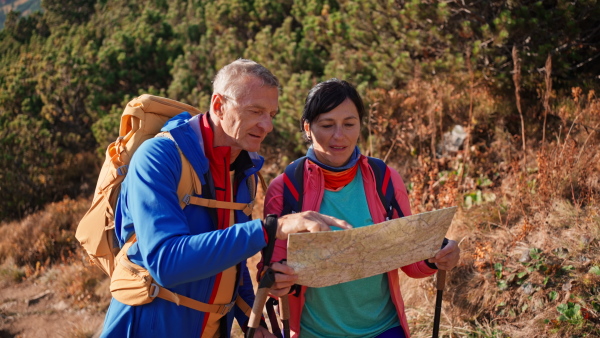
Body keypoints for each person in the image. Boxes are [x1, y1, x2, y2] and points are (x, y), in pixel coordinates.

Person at [100, 60, 352, 337]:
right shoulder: (159, 157)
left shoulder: (242, 168)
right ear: (219, 105)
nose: (267, 125)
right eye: (255, 111)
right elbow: (166, 263)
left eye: (272, 114)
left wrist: (250, 324)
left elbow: (232, 259)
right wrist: (272, 228)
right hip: (146, 326)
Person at [262, 78, 461, 338]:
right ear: (307, 128)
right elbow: (269, 271)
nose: (339, 135)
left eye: (349, 124)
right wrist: (277, 282)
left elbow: (411, 260)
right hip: (314, 332)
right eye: (327, 125)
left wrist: (440, 255)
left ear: (360, 125)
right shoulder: (287, 187)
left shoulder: (384, 179)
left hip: (384, 329)